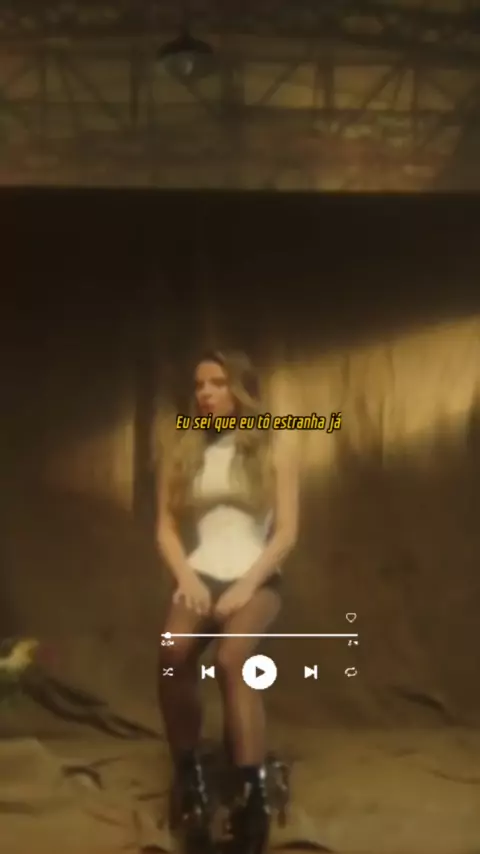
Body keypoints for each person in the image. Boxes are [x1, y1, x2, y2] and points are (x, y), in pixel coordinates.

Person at [156, 349, 299, 854]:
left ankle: (253, 795)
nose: (205, 393)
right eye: (199, 385)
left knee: (232, 658)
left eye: (216, 383)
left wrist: (245, 586)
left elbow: (286, 532)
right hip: (200, 573)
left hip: (256, 576)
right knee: (172, 652)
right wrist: (186, 577)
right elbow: (165, 528)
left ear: (239, 389)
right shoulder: (182, 449)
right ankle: (189, 779)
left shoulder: (274, 446)